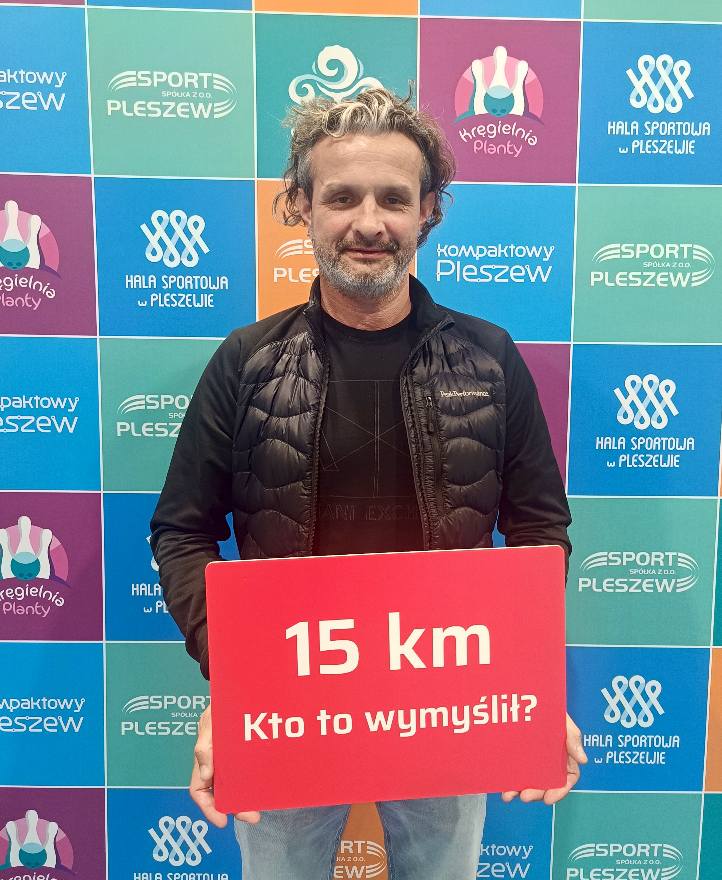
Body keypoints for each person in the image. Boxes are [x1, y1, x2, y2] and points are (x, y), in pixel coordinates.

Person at [150, 86, 586, 880]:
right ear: (301, 206)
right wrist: (240, 680)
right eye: (342, 197)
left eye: (393, 198)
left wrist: (523, 684)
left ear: (428, 211)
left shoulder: (490, 358)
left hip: (447, 704)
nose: (369, 222)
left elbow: (539, 531)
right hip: (285, 706)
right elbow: (181, 531)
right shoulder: (245, 363)